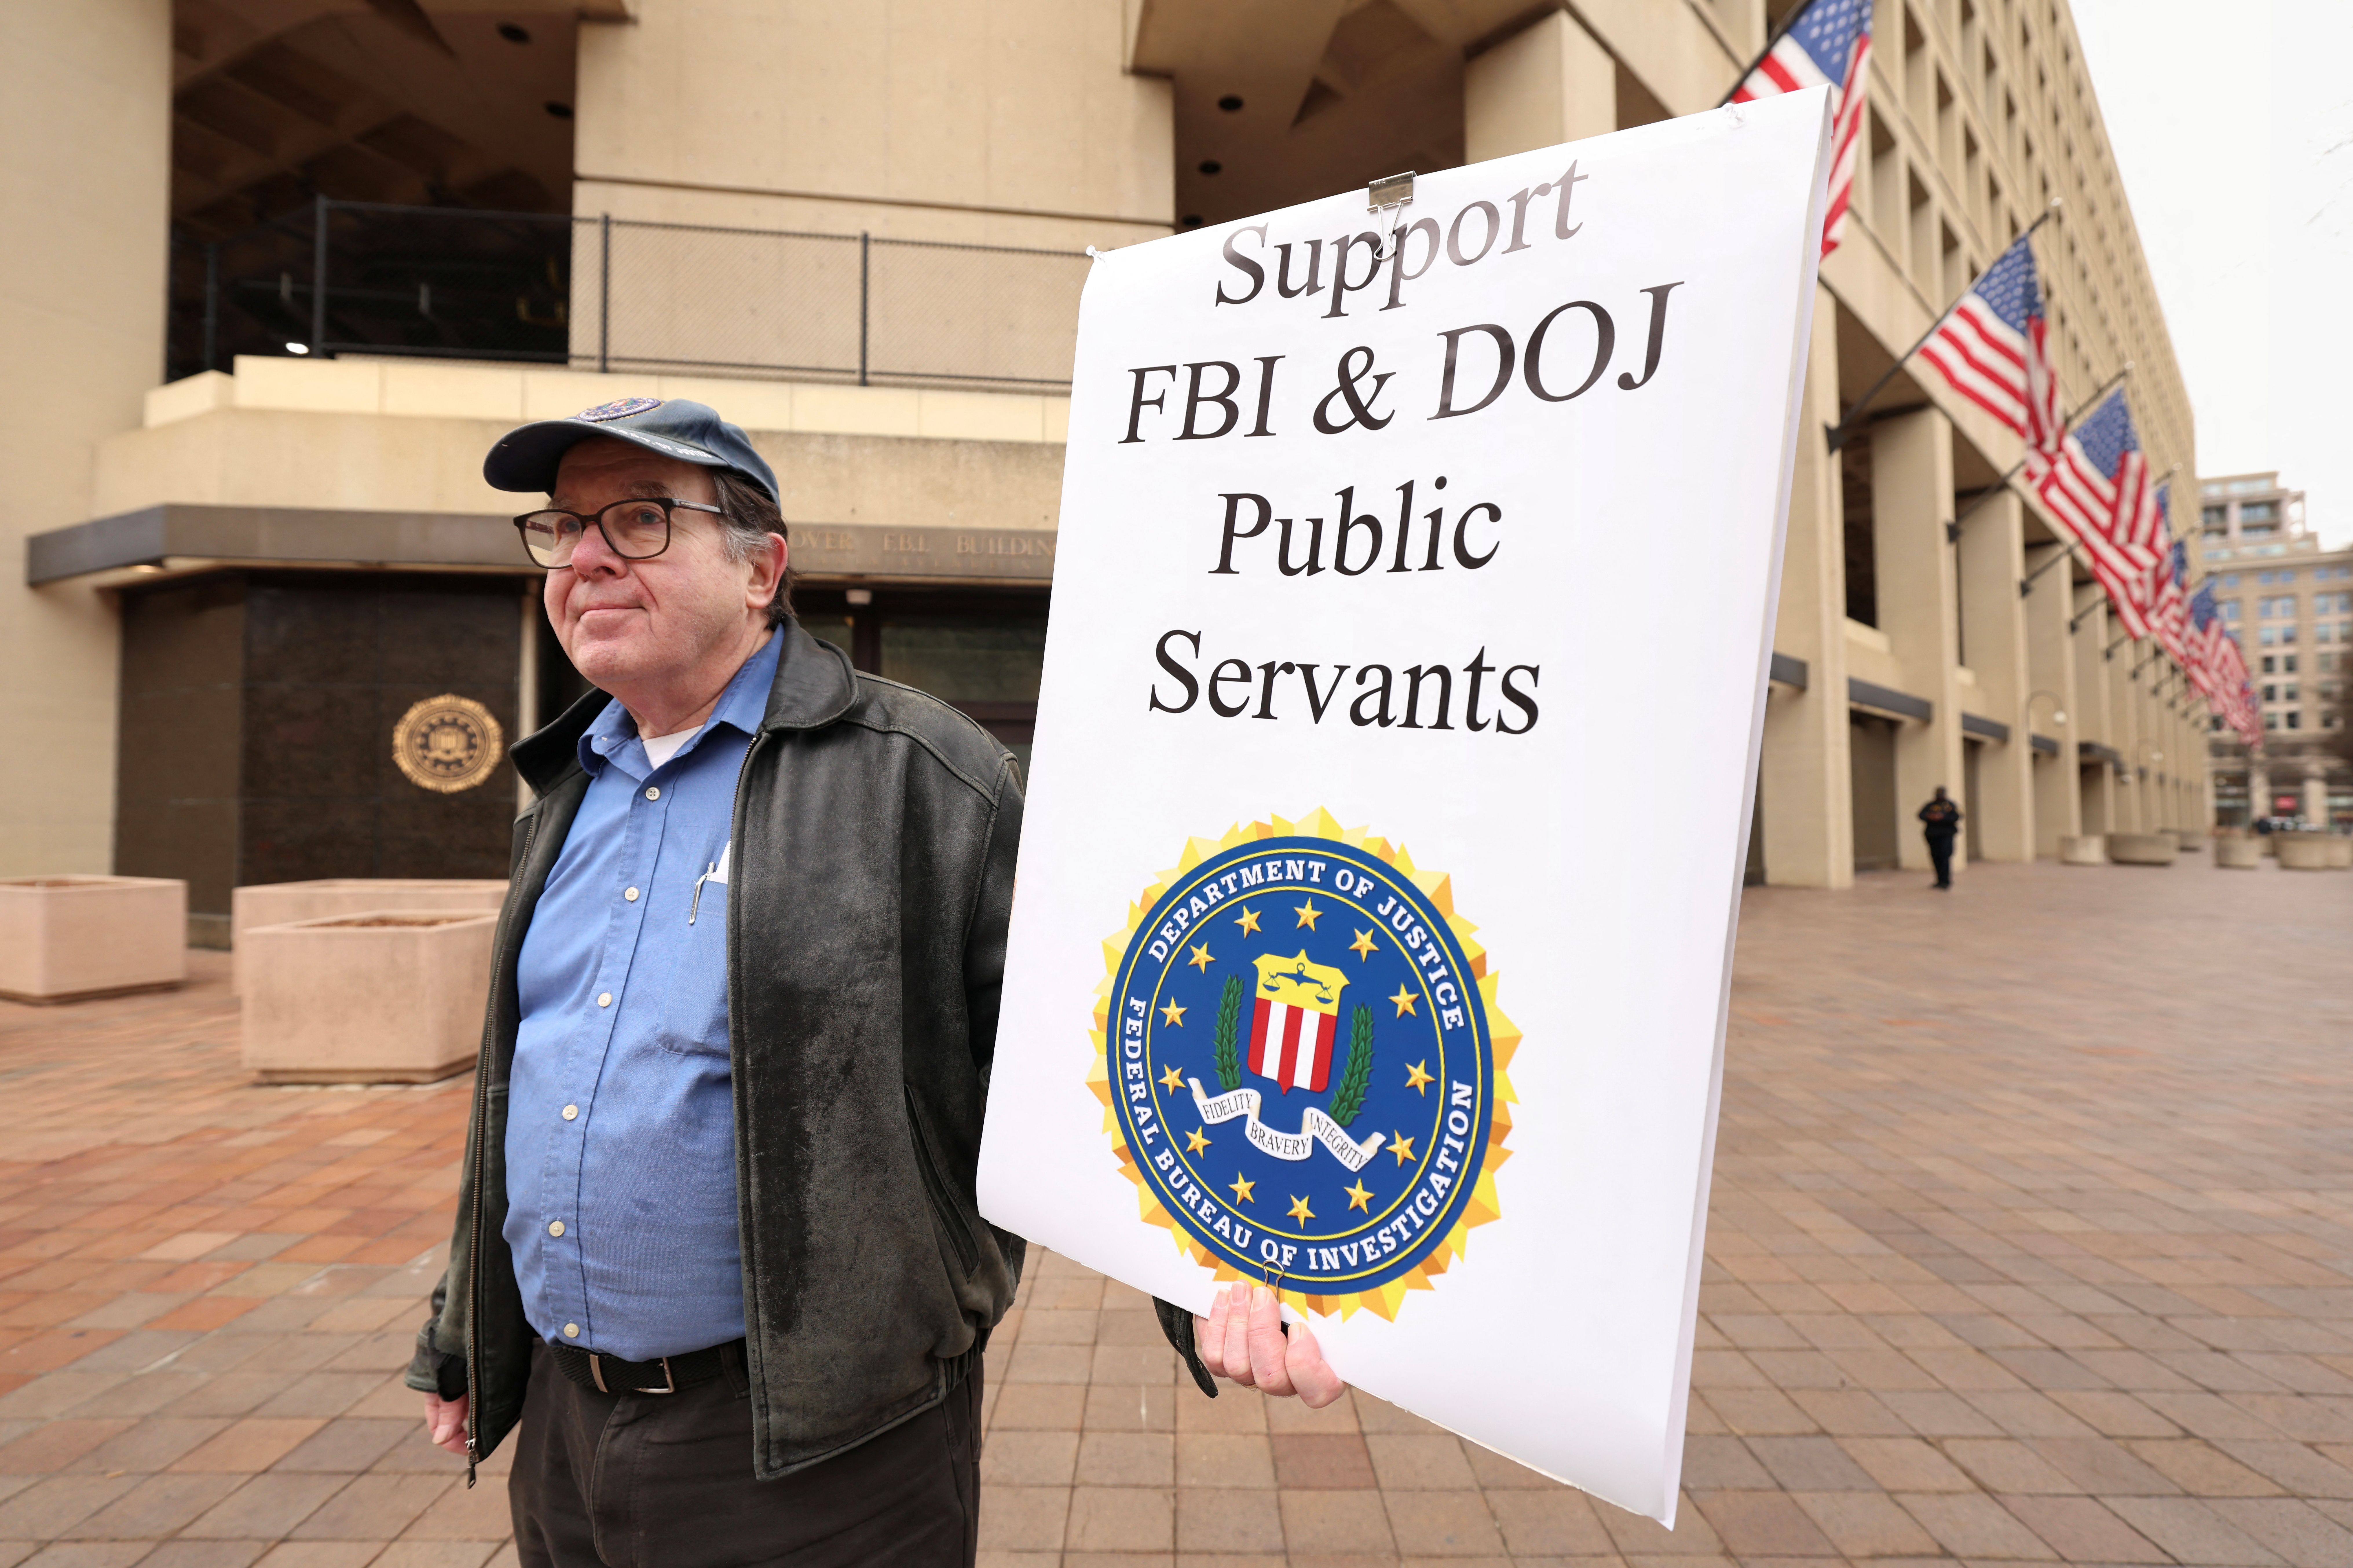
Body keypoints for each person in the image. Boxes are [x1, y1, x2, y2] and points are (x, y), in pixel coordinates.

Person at [406, 398, 1336, 1568]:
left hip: (824, 1449)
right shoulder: (563, 793)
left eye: (638, 520)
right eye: (563, 526)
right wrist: (463, 1338)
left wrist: (1228, 1275)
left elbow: (1082, 1062)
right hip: (564, 1427)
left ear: (762, 571)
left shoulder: (928, 775)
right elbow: (523, 1092)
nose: (585, 556)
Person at [1918, 787, 1963, 889]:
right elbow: (1921, 815)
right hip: (1933, 835)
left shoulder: (1950, 806)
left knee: (1945, 857)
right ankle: (1939, 880)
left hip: (1946, 835)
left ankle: (1946, 881)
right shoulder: (1930, 806)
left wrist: (1942, 818)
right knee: (1936, 858)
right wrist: (1930, 817)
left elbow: (1957, 817)